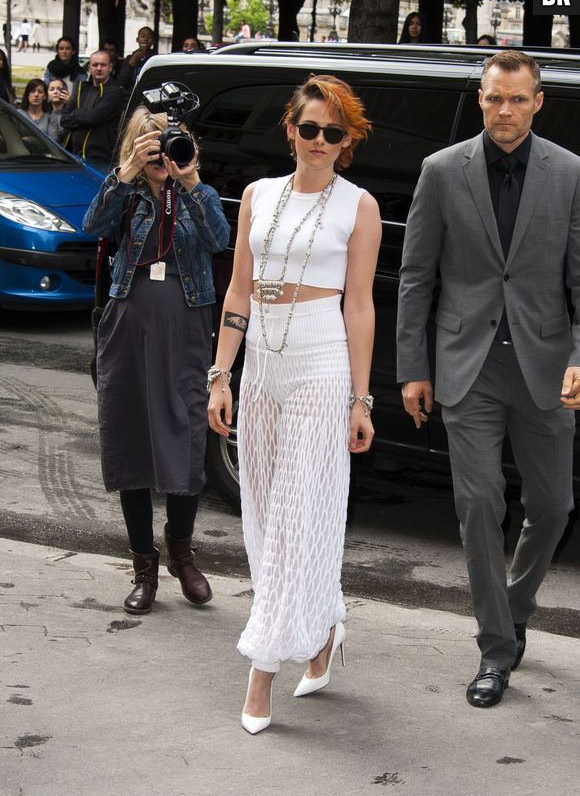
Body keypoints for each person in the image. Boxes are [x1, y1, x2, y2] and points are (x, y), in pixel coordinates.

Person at [397, 50, 580, 709]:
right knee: (478, 506)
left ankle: (514, 606)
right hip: (466, 366)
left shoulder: (570, 173)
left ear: (538, 101)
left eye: (517, 99)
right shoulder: (443, 171)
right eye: (493, 99)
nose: (504, 111)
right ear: (481, 99)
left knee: (554, 505)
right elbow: (417, 276)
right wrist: (413, 367)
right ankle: (495, 649)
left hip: (545, 365)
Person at [208, 74, 381, 734]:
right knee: (261, 511)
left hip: (320, 362)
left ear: (348, 140)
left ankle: (261, 671)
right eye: (308, 128)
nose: (318, 141)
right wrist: (220, 373)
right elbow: (238, 292)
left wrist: (360, 398)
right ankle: (325, 624)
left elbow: (359, 305)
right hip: (262, 368)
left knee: (291, 515)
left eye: (333, 133)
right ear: (290, 130)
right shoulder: (257, 195)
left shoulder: (357, 206)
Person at [82, 105, 230, 615]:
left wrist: (187, 181)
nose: (158, 152)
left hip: (186, 329)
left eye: (165, 142)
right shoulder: (121, 192)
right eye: (147, 143)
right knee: (130, 439)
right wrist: (124, 175)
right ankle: (143, 566)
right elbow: (91, 224)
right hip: (127, 327)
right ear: (133, 148)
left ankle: (182, 553)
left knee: (186, 436)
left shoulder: (198, 194)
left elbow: (219, 240)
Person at [60, 50, 125, 173]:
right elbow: (64, 119)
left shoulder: (115, 92)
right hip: (74, 155)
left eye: (103, 65)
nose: (99, 68)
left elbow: (94, 118)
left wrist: (76, 113)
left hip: (99, 160)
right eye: (95, 65)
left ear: (110, 68)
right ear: (89, 67)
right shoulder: (82, 89)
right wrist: (85, 117)